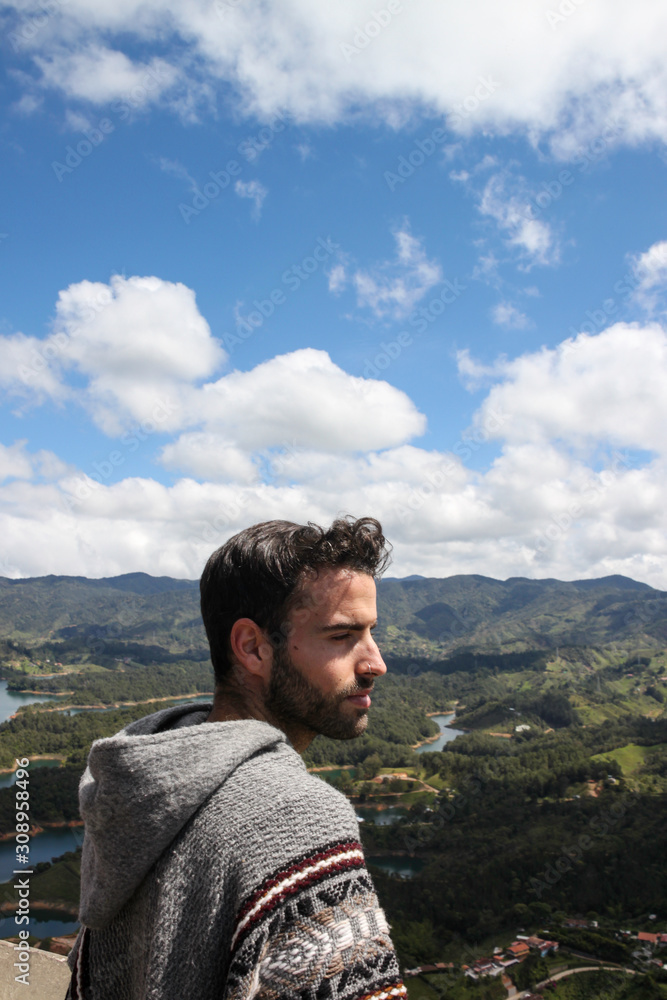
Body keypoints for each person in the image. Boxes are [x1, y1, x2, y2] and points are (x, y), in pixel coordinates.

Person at [66, 516, 406, 1000]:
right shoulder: (301, 820)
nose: (376, 662)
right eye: (341, 636)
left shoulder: (138, 787)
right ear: (252, 647)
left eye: (371, 632)